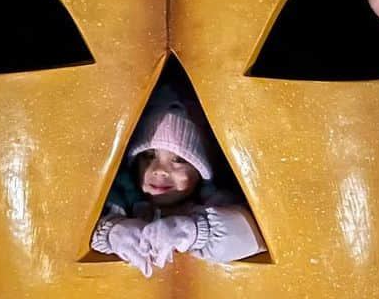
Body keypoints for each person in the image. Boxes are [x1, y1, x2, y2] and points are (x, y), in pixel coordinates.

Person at [91, 86, 266, 277]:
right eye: (149, 156)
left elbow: (252, 237)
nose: (159, 170)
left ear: (200, 171)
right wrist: (112, 231)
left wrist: (193, 231)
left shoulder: (214, 205)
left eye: (179, 160)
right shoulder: (118, 203)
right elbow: (73, 233)